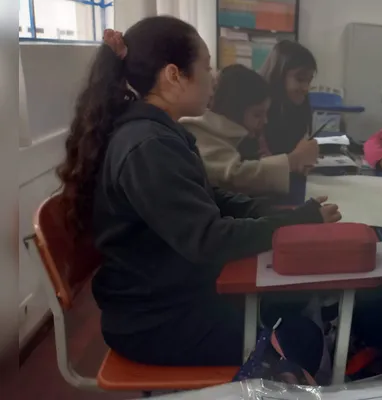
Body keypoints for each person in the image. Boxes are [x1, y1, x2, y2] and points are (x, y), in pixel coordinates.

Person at [55, 17, 342, 367]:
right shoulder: (148, 146)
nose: (214, 78)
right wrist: (296, 221)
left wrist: (287, 217)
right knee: (303, 340)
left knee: (287, 303)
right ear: (174, 75)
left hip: (174, 293)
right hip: (156, 320)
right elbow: (209, 238)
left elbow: (212, 199)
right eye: (207, 67)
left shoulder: (161, 132)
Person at [182, 64, 319, 196]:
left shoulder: (227, 134)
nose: (265, 121)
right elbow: (234, 177)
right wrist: (292, 161)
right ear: (234, 110)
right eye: (257, 114)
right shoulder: (199, 131)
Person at [259, 40, 317, 156]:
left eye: (309, 81)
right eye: (300, 79)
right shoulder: (259, 112)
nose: (306, 88)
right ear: (278, 75)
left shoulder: (299, 106)